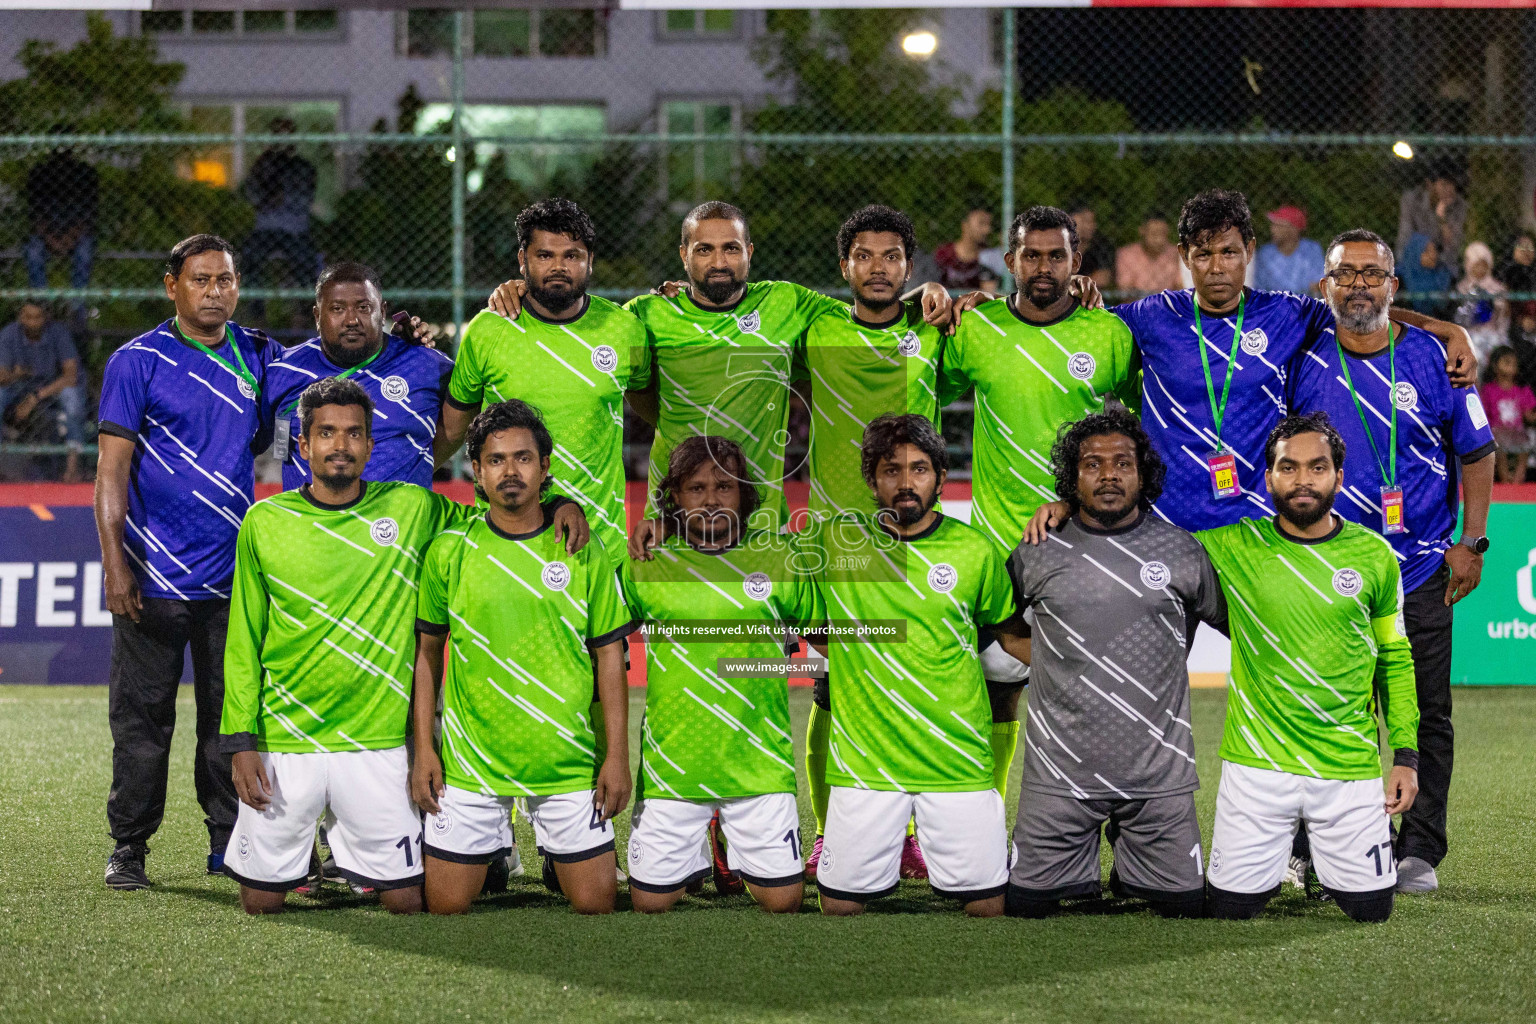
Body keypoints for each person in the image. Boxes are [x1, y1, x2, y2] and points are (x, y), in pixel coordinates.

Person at [484, 201, 957, 535]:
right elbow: (622, 375)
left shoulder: (788, 304)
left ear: (750, 252)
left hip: (761, 519)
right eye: (704, 250)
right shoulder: (645, 316)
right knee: (680, 651)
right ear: (684, 256)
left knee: (758, 659)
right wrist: (521, 290)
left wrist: (926, 293)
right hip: (673, 513)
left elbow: (868, 312)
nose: (719, 261)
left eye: (731, 248)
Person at [219, 377, 477, 914]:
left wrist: (558, 505)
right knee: (259, 904)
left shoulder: (413, 508)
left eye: (354, 434)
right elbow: (244, 638)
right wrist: (240, 741)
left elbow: (496, 523)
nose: (342, 445)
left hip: (377, 743)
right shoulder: (265, 522)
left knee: (406, 901)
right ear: (304, 445)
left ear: (370, 445)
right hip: (286, 741)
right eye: (328, 433)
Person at [1287, 229, 1495, 895]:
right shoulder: (1304, 350)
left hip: (1421, 565)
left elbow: (1479, 451)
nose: (1358, 286)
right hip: (1328, 570)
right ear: (1325, 285)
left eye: (1372, 275)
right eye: (1345, 274)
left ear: (1393, 286)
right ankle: (1309, 847)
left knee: (1427, 713)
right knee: (1324, 710)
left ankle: (1420, 850)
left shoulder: (1437, 357)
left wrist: (1476, 541)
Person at [93, 234, 283, 890]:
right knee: (143, 721)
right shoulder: (135, 361)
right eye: (200, 280)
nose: (214, 293)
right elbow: (111, 473)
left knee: (229, 719)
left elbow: (334, 369)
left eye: (225, 280)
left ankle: (228, 843)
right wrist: (116, 566)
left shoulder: (258, 354)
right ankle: (129, 847)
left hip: (233, 581)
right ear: (171, 285)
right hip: (151, 580)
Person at [937, 205, 1140, 815]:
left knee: (1083, 698)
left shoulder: (1109, 335)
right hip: (996, 548)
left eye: (1057, 256)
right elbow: (915, 384)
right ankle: (982, 823)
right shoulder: (976, 331)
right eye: (1032, 255)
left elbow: (1140, 427)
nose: (1044, 267)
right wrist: (944, 304)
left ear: (1078, 263)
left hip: (1080, 549)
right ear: (1010, 261)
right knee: (993, 694)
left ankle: (1077, 828)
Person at [412, 400, 635, 915]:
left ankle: (557, 855)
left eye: (523, 458)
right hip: (472, 767)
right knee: (445, 905)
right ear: (476, 470)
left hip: (563, 765)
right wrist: (425, 749)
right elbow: (427, 657)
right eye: (496, 460)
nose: (510, 471)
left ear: (545, 467)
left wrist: (616, 757)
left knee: (596, 902)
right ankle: (493, 852)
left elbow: (609, 657)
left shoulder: (582, 550)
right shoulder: (450, 550)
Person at [1199, 413, 1419, 923]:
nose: (1303, 480)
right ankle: (1289, 857)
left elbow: (1396, 658)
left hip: (1347, 766)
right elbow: (1143, 540)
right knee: (1230, 911)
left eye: (1317, 468)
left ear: (1339, 478)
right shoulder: (1234, 545)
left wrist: (1406, 754)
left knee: (1372, 911)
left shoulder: (1375, 556)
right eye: (1288, 467)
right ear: (1269, 476)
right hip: (1256, 765)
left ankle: (1320, 856)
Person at [1004, 409, 1224, 919]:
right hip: (1059, 778)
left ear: (1142, 474)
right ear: (1072, 478)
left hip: (1158, 779)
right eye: (1092, 464)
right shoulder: (1038, 549)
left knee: (1186, 908)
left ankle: (1133, 864)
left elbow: (1241, 629)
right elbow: (1000, 623)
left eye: (1123, 463)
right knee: (1025, 908)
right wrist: (1056, 662)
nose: (1108, 475)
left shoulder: (1181, 550)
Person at [812, 414, 1030, 918]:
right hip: (866, 766)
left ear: (940, 478)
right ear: (871, 479)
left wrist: (1082, 671)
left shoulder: (973, 551)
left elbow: (1011, 635)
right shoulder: (834, 544)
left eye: (919, 469)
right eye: (891, 470)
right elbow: (801, 614)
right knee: (839, 908)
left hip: (956, 762)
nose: (905, 482)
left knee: (987, 907)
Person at [620, 435, 821, 912]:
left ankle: (724, 847)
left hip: (759, 772)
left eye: (724, 486)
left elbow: (826, 638)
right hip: (674, 775)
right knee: (650, 905)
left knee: (784, 904)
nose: (711, 498)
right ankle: (698, 853)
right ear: (674, 498)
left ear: (745, 494)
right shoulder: (645, 565)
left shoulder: (780, 560)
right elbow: (603, 646)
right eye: (696, 487)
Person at [436, 199, 638, 557]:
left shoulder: (625, 330)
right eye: (544, 256)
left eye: (572, 256)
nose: (558, 267)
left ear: (589, 261)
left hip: (602, 544)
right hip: (508, 545)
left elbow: (659, 410)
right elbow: (451, 431)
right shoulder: (488, 331)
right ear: (522, 260)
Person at [263, 262, 452, 490]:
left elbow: (464, 420)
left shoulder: (426, 366)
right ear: (317, 316)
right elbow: (260, 440)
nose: (352, 320)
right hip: (310, 525)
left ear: (382, 313)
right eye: (338, 309)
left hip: (402, 524)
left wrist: (419, 463)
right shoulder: (284, 371)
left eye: (363, 308)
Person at [0, 301, 88, 482]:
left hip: (51, 388)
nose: (33, 322)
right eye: (28, 317)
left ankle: (72, 468)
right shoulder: (9, 333)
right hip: (18, 386)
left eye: (37, 317)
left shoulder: (58, 333)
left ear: (46, 318)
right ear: (20, 317)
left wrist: (35, 397)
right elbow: (2, 376)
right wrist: (18, 374)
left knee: (71, 397)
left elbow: (70, 376)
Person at [241, 119, 319, 321]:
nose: (281, 142)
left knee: (304, 260)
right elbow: (250, 192)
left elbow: (305, 199)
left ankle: (305, 312)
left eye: (286, 135)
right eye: (277, 135)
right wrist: (265, 198)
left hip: (295, 229)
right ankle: (257, 313)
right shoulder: (262, 165)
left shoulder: (303, 167)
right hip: (266, 228)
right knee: (250, 256)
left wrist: (283, 197)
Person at [25, 149, 98, 302]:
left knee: (84, 253)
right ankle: (41, 303)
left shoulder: (84, 174)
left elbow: (88, 216)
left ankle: (77, 306)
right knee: (33, 252)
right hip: (47, 235)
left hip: (76, 235)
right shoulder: (40, 174)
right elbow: (35, 216)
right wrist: (52, 239)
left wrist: (70, 238)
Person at [1482, 346, 1536, 483]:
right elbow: (1484, 416)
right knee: (1500, 449)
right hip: (1497, 432)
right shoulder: (1489, 390)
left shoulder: (1522, 390)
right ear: (1495, 366)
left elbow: (1529, 415)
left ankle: (1517, 483)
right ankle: (1505, 482)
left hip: (1517, 432)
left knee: (1525, 446)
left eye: (1514, 363)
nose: (1512, 366)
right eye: (1507, 362)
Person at [1455, 241, 1510, 369]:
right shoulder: (1461, 288)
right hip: (1470, 333)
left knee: (1498, 353)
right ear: (1469, 265)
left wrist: (1501, 307)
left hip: (1493, 332)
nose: (1480, 270)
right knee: (1475, 356)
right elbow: (1459, 318)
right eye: (1476, 265)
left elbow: (1504, 319)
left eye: (1483, 265)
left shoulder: (1497, 288)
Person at [1397, 169, 1465, 269]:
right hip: (1414, 259)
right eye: (1444, 184)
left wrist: (1442, 220)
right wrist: (1418, 257)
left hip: (1442, 266)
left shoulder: (1459, 205)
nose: (1450, 190)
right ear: (1429, 184)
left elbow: (1454, 248)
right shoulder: (1412, 200)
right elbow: (1404, 238)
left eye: (1453, 185)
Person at [1251, 206, 1324, 296]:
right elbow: (1258, 288)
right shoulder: (1265, 254)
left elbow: (1318, 283)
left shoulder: (1311, 249)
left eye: (1279, 226)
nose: (1272, 229)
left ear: (1294, 229)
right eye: (1273, 225)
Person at [934, 207, 1000, 294]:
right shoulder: (943, 254)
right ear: (965, 225)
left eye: (989, 224)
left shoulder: (989, 258)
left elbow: (989, 294)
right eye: (981, 223)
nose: (987, 230)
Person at [1115, 212, 1182, 296]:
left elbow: (1181, 286)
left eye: (1162, 234)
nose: (1159, 240)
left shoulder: (1176, 254)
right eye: (1154, 234)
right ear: (1142, 231)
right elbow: (1124, 288)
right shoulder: (1126, 254)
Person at [1399, 234, 1455, 318]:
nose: (1433, 255)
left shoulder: (1444, 276)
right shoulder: (1400, 280)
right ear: (1415, 253)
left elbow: (1450, 311)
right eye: (1427, 251)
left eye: (1434, 250)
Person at [1069, 201, 1115, 289]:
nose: (1090, 226)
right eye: (1084, 220)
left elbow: (1102, 279)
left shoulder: (1102, 246)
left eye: (1092, 221)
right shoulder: (1056, 244)